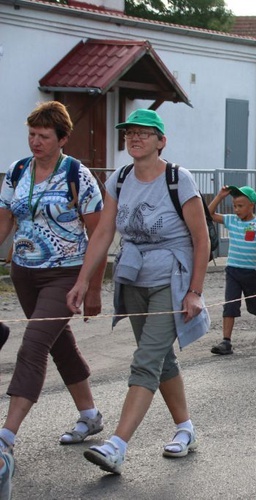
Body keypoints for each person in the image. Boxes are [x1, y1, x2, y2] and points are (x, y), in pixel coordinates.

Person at [67, 108, 210, 475]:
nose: (135, 137)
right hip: (133, 278)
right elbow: (103, 232)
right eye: (130, 132)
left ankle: (117, 445)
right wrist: (84, 281)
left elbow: (201, 239)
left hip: (171, 280)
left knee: (146, 360)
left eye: (145, 133)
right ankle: (186, 429)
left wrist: (195, 291)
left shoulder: (180, 180)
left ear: (161, 141)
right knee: (161, 360)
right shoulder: (121, 177)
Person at [0, 101, 105, 469]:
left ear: (62, 138)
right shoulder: (17, 170)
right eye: (31, 134)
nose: (35, 142)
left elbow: (99, 235)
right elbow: (3, 223)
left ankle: (6, 437)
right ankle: (90, 414)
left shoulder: (78, 174)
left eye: (44, 136)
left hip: (65, 273)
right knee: (59, 344)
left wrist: (91, 288)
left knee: (32, 345)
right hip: (24, 273)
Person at [207, 185, 256, 354]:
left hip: (251, 272)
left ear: (251, 205)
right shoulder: (231, 220)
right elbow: (209, 214)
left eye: (240, 206)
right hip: (233, 271)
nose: (236, 210)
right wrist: (220, 196)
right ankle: (226, 342)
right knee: (230, 305)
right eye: (235, 206)